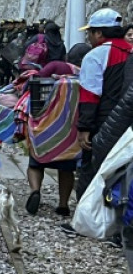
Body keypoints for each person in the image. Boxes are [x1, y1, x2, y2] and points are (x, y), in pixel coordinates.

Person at [25, 43, 91, 217]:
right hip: (69, 131)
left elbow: (35, 83)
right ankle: (63, 204)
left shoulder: (56, 66)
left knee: (36, 162)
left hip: (46, 124)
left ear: (68, 57)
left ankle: (35, 191)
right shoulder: (88, 75)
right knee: (66, 168)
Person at [75, 8, 132, 198]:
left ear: (99, 32)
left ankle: (85, 219)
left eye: (90, 32)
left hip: (102, 121)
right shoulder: (130, 51)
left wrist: (84, 128)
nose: (89, 37)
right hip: (127, 121)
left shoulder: (96, 55)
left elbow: (90, 95)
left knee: (91, 169)